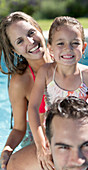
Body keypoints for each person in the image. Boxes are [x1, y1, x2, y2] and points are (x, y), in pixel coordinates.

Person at [28, 16, 88, 167]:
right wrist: (41, 143)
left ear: (84, 47)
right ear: (51, 48)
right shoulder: (46, 72)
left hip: (80, 129)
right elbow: (33, 107)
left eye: (75, 43)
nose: (68, 48)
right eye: (61, 43)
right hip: (55, 129)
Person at [0, 11, 54, 170]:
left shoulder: (64, 58)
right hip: (39, 141)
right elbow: (18, 128)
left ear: (39, 29)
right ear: (15, 50)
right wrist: (6, 151)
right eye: (20, 41)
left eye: (31, 32)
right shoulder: (21, 82)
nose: (30, 41)